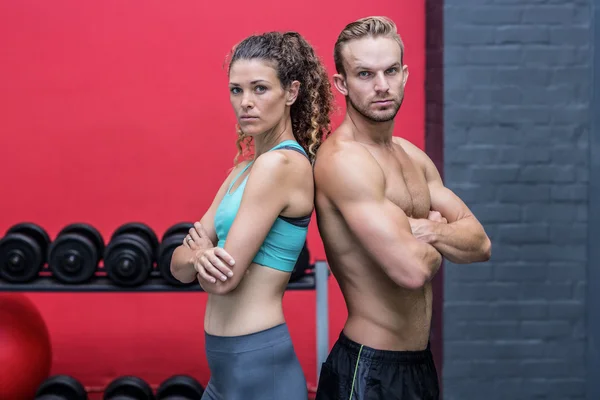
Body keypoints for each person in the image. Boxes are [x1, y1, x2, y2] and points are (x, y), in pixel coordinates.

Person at [313, 16, 492, 400]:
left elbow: (480, 244)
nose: (381, 85)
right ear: (341, 83)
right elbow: (410, 270)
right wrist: (443, 234)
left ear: (404, 74)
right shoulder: (344, 161)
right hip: (370, 369)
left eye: (390, 70)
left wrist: (427, 229)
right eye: (365, 74)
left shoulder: (412, 156)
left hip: (418, 364)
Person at [170, 31, 334, 400]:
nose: (245, 102)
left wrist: (200, 253)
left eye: (259, 88)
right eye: (236, 90)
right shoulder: (243, 169)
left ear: (291, 92)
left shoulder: (279, 165)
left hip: (261, 371)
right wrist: (197, 256)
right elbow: (177, 266)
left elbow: (223, 281)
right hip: (226, 371)